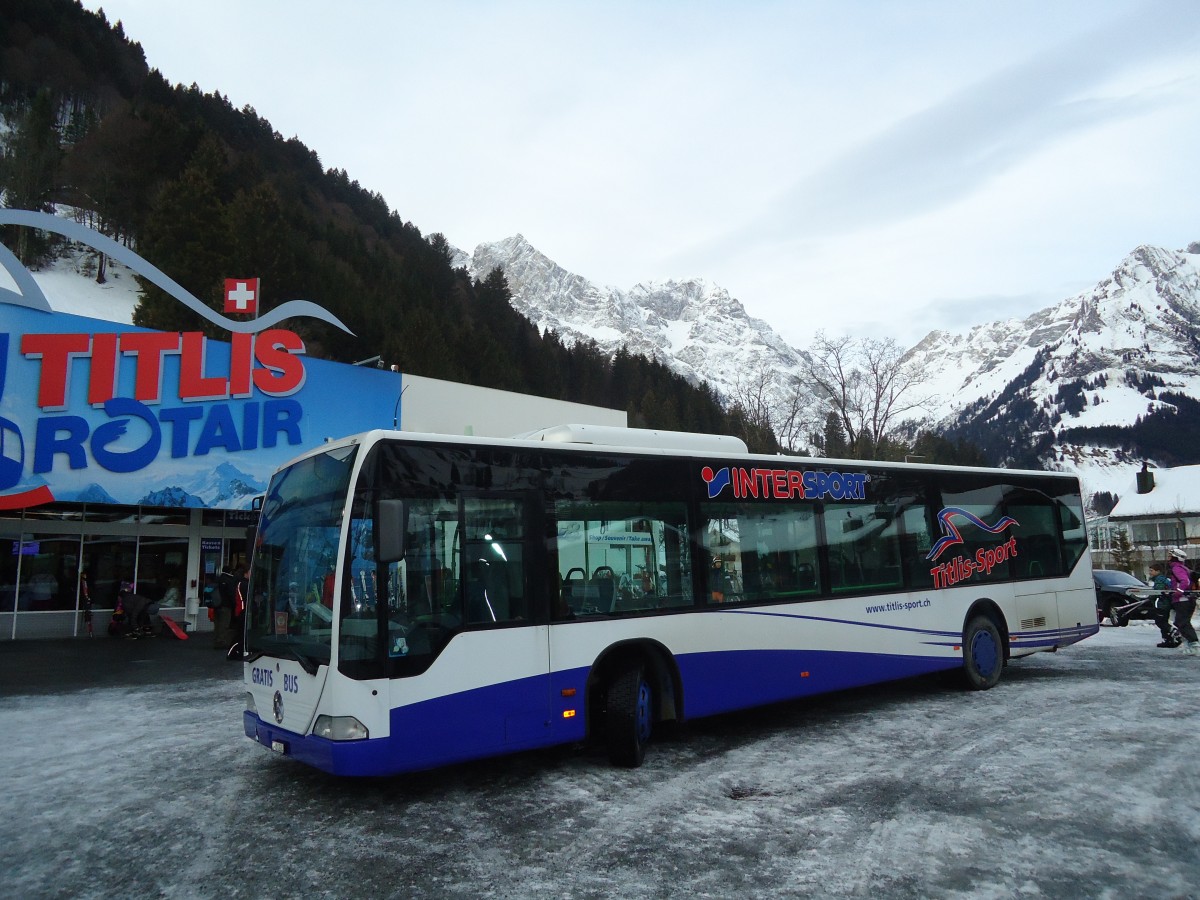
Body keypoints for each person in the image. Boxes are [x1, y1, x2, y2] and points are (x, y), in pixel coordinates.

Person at [1167, 548, 1199, 656]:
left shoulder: (1177, 568)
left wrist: (1178, 592)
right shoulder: (1182, 567)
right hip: (1186, 599)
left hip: (1183, 600)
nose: (1168, 558)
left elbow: (1185, 581)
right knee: (1180, 622)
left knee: (1182, 623)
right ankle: (1188, 644)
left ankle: (1194, 645)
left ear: (1175, 557)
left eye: (1170, 556)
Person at [1148, 563, 1180, 649]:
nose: (1150, 573)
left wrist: (1150, 598)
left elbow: (1158, 592)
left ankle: (1173, 631)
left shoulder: (1159, 579)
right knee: (1163, 620)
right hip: (1165, 603)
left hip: (1162, 604)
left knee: (1160, 621)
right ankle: (1168, 640)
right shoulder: (1161, 579)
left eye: (1151, 571)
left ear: (1158, 571)